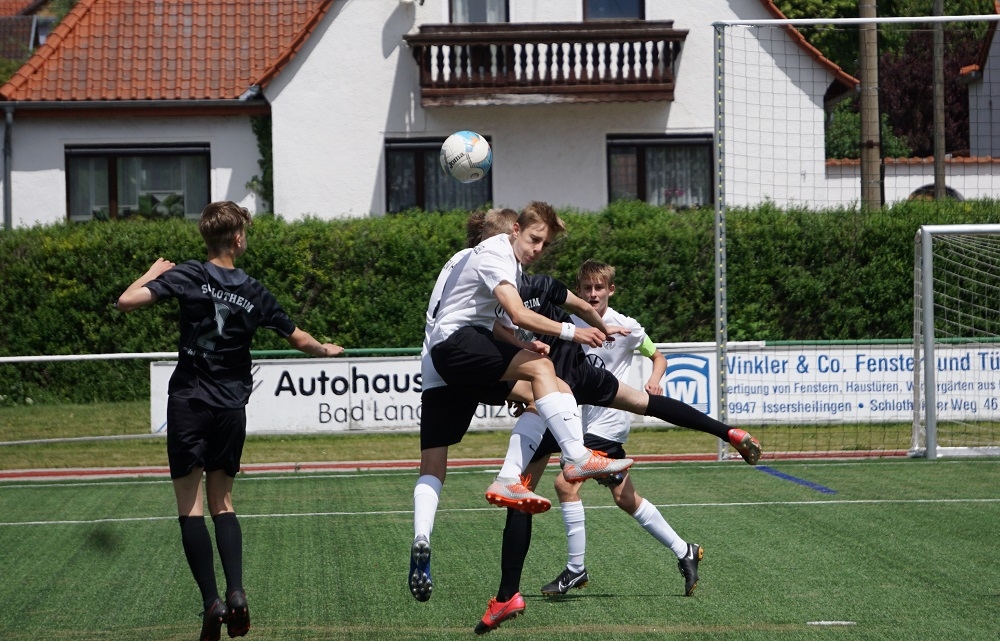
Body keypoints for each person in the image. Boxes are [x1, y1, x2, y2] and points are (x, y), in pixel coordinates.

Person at [474, 257, 762, 634]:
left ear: (611, 289)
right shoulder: (540, 289)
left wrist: (520, 382)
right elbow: (540, 326)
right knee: (631, 464)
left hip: (573, 404)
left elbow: (510, 334)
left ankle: (529, 585)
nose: (593, 294)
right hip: (576, 394)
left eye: (599, 288)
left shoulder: (517, 294)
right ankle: (723, 444)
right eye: (587, 288)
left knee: (535, 488)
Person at [116, 201, 344, 641]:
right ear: (238, 239)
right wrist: (325, 349)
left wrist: (151, 273)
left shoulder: (187, 274)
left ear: (208, 238)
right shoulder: (254, 290)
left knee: (190, 507)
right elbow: (297, 337)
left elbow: (126, 301)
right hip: (229, 407)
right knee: (222, 501)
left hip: (188, 403)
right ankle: (236, 590)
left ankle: (212, 603)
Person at [409, 202, 634, 604]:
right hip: (459, 345)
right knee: (544, 372)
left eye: (543, 244)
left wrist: (521, 344)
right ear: (510, 231)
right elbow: (515, 311)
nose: (537, 249)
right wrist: (571, 332)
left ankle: (422, 536)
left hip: (438, 363)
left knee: (541, 394)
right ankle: (572, 457)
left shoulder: (460, 260)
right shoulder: (495, 253)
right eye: (534, 239)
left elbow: (498, 320)